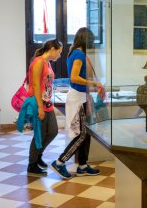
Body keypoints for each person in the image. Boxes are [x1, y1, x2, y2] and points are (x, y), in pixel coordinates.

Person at [51, 27, 104, 179]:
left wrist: (94, 86)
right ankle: (60, 162)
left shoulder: (74, 52)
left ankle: (82, 166)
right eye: (91, 42)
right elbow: (74, 78)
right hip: (78, 98)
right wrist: (94, 83)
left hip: (80, 96)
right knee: (81, 135)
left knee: (85, 134)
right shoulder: (79, 54)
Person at [22, 39, 62, 176]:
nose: (59, 55)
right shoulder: (38, 62)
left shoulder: (47, 62)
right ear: (51, 49)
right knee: (39, 135)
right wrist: (40, 107)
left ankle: (38, 155)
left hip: (47, 103)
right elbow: (36, 86)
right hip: (40, 103)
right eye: (59, 52)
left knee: (53, 131)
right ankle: (32, 164)